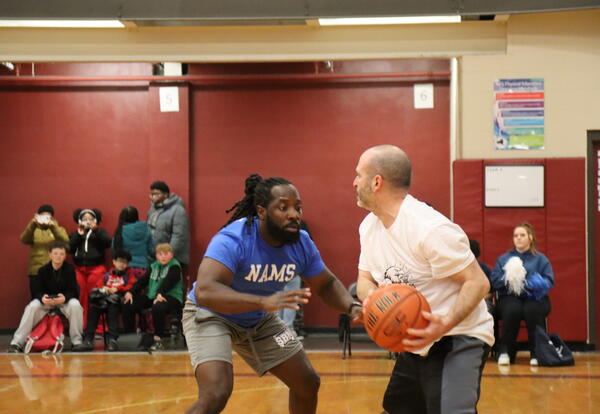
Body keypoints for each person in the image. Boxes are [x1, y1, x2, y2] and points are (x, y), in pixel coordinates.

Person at [182, 174, 362, 414]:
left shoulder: (301, 243)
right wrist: (262, 301)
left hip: (258, 317)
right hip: (211, 314)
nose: (294, 214)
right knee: (216, 393)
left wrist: (352, 307)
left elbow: (326, 284)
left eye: (298, 207)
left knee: (307, 382)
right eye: (283, 207)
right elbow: (205, 291)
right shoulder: (234, 239)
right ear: (262, 211)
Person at [353, 145, 493, 414]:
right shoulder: (368, 226)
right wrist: (373, 301)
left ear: (376, 182)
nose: (355, 181)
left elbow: (478, 282)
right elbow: (364, 278)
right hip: (414, 337)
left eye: (359, 175)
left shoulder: (430, 229)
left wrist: (446, 322)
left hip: (458, 336)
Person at [7, 241, 90, 353]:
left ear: (65, 256)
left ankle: (77, 342)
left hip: (63, 302)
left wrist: (64, 298)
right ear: (50, 255)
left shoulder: (70, 270)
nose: (58, 256)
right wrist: (42, 298)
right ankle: (16, 343)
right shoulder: (42, 270)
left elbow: (74, 291)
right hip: (46, 302)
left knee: (75, 305)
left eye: (61, 254)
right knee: (32, 307)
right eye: (55, 253)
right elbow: (36, 292)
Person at [490, 222, 554, 366]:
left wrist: (532, 283)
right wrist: (509, 278)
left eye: (522, 235)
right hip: (509, 297)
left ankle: (537, 352)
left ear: (530, 238)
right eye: (515, 236)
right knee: (512, 310)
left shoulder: (540, 259)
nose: (518, 238)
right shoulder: (504, 259)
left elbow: (549, 280)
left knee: (531, 310)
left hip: (535, 298)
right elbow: (494, 281)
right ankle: (506, 351)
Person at [122, 243, 184, 350]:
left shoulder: (175, 266)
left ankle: (158, 339)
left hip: (172, 297)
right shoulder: (153, 266)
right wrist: (130, 292)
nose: (163, 257)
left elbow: (168, 282)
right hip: (153, 296)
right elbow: (142, 281)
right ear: (156, 256)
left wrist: (160, 293)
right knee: (128, 303)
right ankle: (129, 337)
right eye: (160, 254)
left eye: (166, 254)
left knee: (158, 306)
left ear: (172, 255)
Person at [79, 250, 137, 352]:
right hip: (104, 298)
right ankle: (88, 339)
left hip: (118, 300)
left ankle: (112, 340)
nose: (122, 264)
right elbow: (98, 285)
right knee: (94, 307)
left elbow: (132, 286)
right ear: (114, 262)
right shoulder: (107, 275)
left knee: (112, 307)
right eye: (119, 261)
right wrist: (105, 288)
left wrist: (118, 288)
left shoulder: (129, 275)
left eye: (125, 262)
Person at [69, 208, 112, 321]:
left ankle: (98, 326)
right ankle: (82, 324)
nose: (88, 221)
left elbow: (108, 243)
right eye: (84, 219)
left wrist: (96, 230)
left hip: (96, 268)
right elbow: (69, 248)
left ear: (96, 220)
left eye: (91, 219)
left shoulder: (100, 232)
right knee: (80, 295)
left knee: (96, 296)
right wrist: (79, 235)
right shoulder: (76, 233)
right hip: (79, 269)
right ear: (79, 221)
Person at [20, 204, 69, 298]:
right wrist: (33, 224)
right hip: (36, 271)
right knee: (37, 299)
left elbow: (65, 240)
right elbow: (24, 239)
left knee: (53, 300)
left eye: (48, 217)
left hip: (54, 270)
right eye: (42, 216)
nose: (45, 219)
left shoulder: (57, 228)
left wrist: (53, 226)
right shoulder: (33, 230)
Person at [147, 181, 190, 270]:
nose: (153, 197)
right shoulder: (153, 209)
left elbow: (179, 235)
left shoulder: (177, 210)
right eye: (152, 194)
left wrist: (167, 254)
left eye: (156, 194)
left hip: (172, 258)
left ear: (165, 194)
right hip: (155, 257)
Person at [112, 205, 154, 280]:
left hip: (124, 267)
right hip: (143, 267)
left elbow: (114, 249)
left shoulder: (120, 231)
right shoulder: (146, 229)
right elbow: (151, 250)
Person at [469, 238, 494, 313]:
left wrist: (478, 299)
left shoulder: (485, 269)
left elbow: (490, 292)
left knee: (486, 308)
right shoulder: (458, 269)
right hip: (463, 299)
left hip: (483, 299)